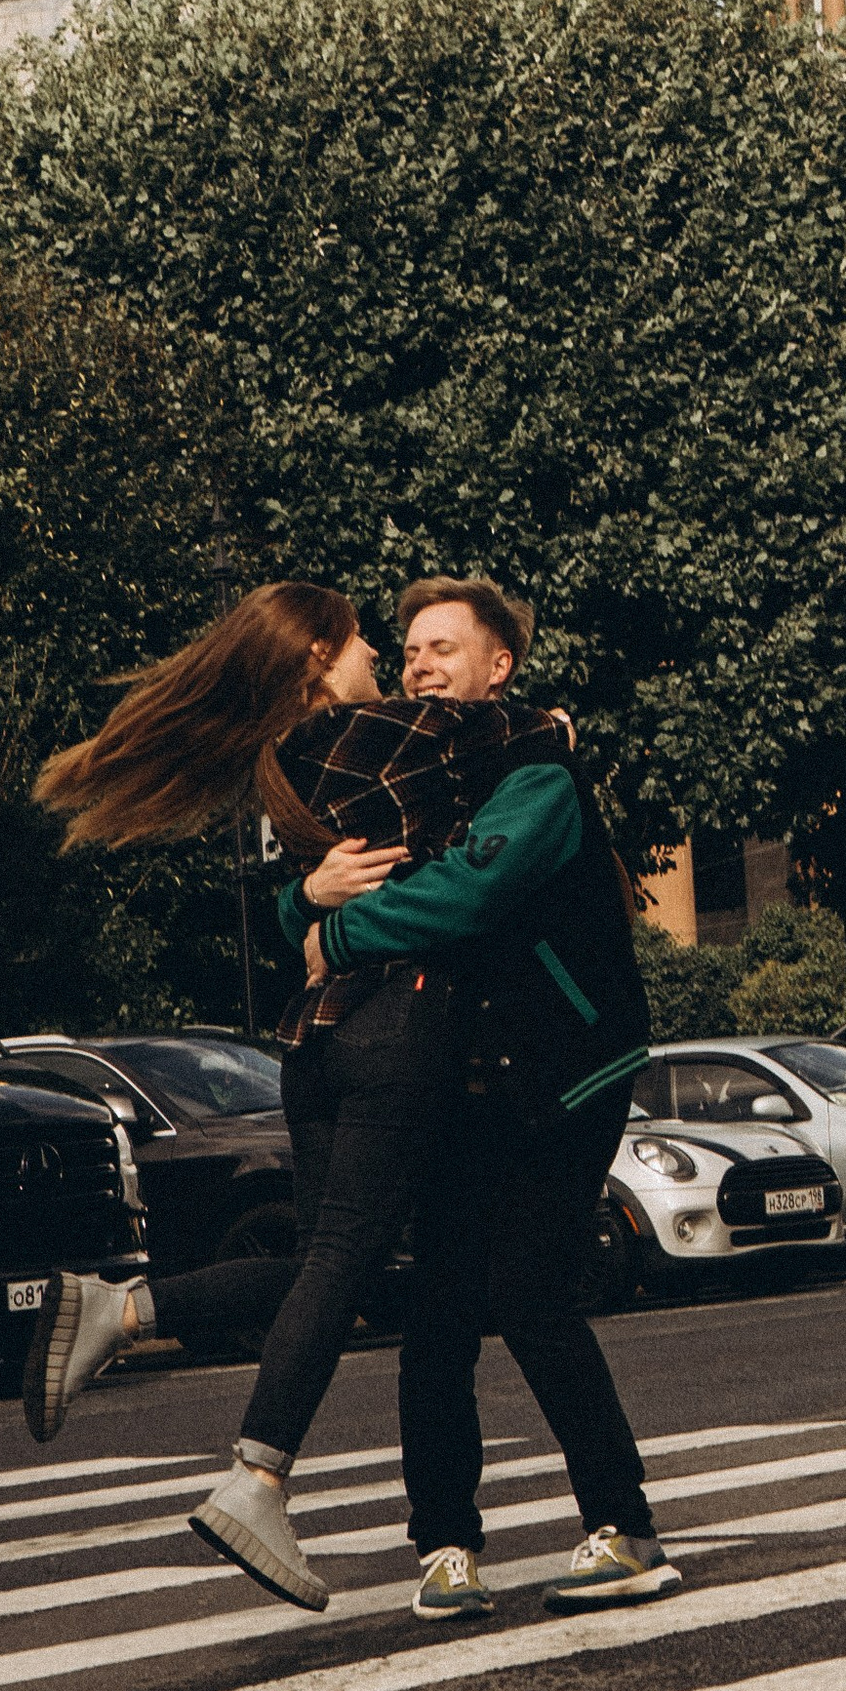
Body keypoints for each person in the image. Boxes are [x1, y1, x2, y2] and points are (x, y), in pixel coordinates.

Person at [30, 583, 566, 1608]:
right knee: (342, 1261)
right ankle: (259, 1474)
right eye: (376, 642)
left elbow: (296, 897)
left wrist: (302, 904)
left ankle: (130, 1307)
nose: (394, 662)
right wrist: (553, 725)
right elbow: (513, 736)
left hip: (312, 1041)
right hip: (399, 1028)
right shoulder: (391, 736)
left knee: (331, 1263)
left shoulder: (285, 761)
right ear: (323, 652)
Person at [290, 576, 672, 1618]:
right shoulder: (421, 774)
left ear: (497, 666)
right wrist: (302, 901)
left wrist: (338, 934)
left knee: (531, 1291)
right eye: (408, 649)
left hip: (561, 1066)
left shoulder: (534, 770)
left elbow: (467, 891)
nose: (417, 664)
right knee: (438, 1312)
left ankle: (625, 1527)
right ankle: (445, 1550)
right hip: (462, 1076)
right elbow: (331, 867)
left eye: (442, 648)